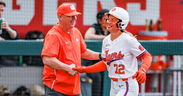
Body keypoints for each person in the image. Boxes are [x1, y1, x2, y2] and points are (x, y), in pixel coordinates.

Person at [73, 7, 152, 96]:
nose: (108, 22)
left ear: (121, 23)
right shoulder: (106, 41)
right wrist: (84, 69)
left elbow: (147, 56)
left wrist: (143, 69)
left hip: (127, 84)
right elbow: (106, 63)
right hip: (113, 85)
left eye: (113, 20)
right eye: (108, 19)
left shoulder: (128, 40)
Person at [41, 3, 101, 96]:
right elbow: (47, 59)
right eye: (70, 16)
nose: (74, 19)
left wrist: (101, 56)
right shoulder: (53, 35)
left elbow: (83, 52)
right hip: (56, 87)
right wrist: (67, 68)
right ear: (60, 17)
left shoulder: (76, 32)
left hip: (74, 87)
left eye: (75, 16)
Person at [83, 9, 109, 96]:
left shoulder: (112, 28)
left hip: (105, 62)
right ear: (99, 20)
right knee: (97, 77)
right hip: (90, 63)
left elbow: (126, 34)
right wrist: (104, 37)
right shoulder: (94, 27)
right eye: (106, 19)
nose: (108, 21)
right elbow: (87, 36)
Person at [0, 0, 19, 66]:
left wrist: (8, 29)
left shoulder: (2, 22)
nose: (0, 13)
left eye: (2, 10)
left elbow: (15, 36)